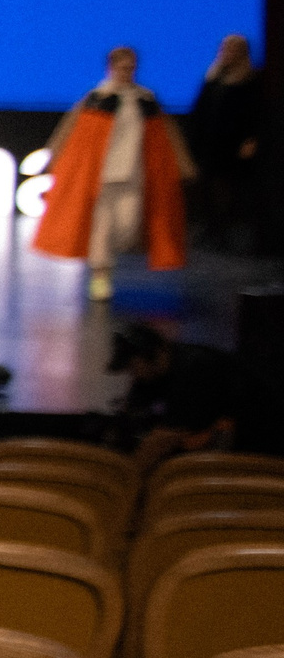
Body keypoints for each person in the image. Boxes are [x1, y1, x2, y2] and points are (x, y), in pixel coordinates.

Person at [33, 45, 196, 302]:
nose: (126, 71)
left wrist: (182, 162)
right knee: (102, 227)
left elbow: (167, 132)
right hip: (101, 175)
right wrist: (54, 157)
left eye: (130, 67)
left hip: (135, 173)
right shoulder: (97, 97)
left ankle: (105, 263)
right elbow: (70, 129)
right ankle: (101, 275)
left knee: (127, 225)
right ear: (111, 67)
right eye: (122, 67)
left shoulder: (145, 99)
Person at [110, 323, 241, 474]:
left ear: (156, 354)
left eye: (133, 366)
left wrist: (124, 479)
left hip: (249, 443)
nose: (133, 374)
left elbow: (165, 438)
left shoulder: (193, 369)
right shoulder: (151, 376)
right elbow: (130, 414)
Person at [186, 34, 260, 249]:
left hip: (234, 145)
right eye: (225, 49)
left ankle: (226, 231)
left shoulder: (250, 81)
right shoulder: (213, 79)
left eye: (233, 50)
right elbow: (200, 110)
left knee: (227, 188)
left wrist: (252, 139)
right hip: (210, 142)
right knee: (206, 186)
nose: (227, 53)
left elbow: (256, 113)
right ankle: (211, 228)